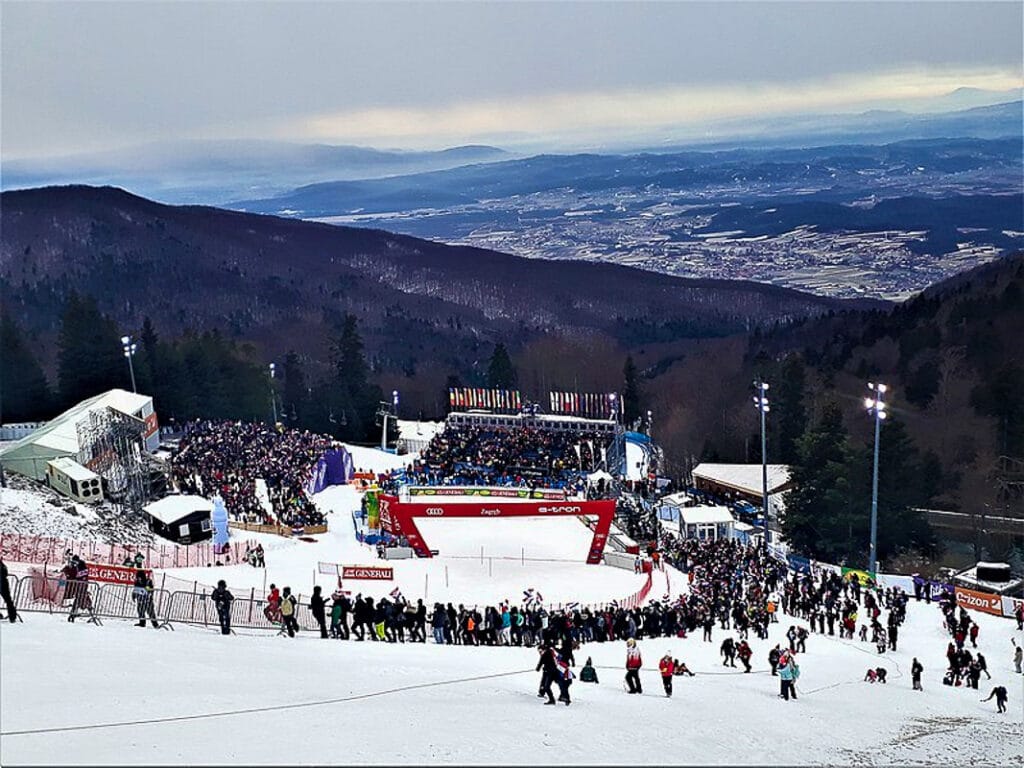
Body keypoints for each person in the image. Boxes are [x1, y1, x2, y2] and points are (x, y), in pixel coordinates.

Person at [0, 558, 17, 624]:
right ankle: (12, 616)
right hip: (4, 584)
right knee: (8, 600)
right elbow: (5, 573)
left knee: (8, 600)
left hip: (3, 584)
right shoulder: (2, 565)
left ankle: (12, 616)